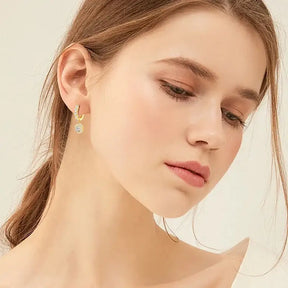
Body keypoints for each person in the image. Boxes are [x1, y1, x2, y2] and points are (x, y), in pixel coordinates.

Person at [0, 0, 287, 287]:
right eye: (178, 89)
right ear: (78, 79)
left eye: (233, 115)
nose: (214, 135)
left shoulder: (267, 279)